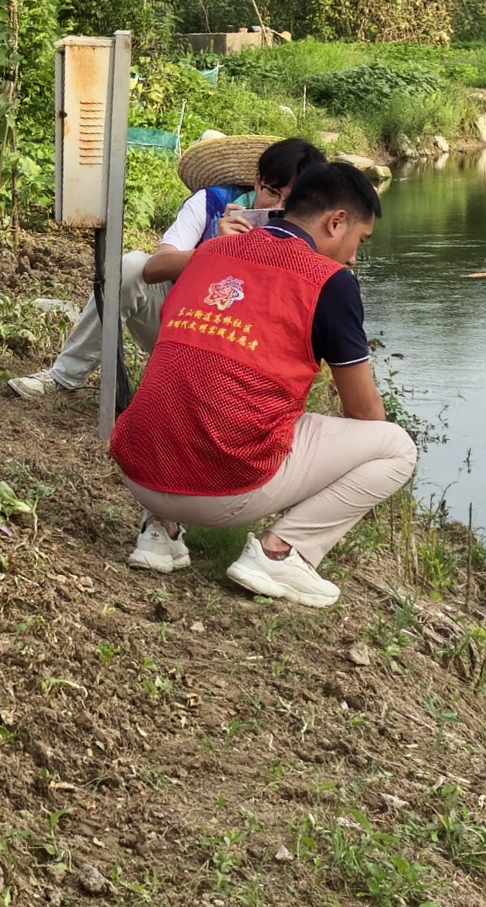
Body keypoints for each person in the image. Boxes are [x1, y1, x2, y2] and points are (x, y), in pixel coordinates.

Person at [107, 161, 414, 609]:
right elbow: (364, 413)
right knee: (396, 447)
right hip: (222, 491)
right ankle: (281, 554)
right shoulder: (331, 281)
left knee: (192, 379)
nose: (352, 258)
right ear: (336, 222)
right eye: (359, 241)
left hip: (139, 470)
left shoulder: (209, 252)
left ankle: (159, 529)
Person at [9, 135, 327, 402]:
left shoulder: (308, 235)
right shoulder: (212, 204)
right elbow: (155, 268)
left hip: (243, 348)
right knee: (130, 267)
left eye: (290, 202)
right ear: (257, 182)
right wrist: (216, 250)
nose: (277, 208)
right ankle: (65, 376)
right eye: (272, 192)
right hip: (183, 321)